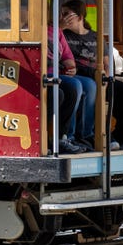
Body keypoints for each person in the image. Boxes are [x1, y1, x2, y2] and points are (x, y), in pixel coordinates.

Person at [60, 0, 123, 150]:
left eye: (66, 14)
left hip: (100, 77)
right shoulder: (63, 35)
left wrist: (106, 80)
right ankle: (92, 135)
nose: (63, 17)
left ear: (80, 17)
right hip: (80, 76)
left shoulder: (95, 36)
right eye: (61, 14)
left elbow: (107, 62)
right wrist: (60, 28)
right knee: (90, 89)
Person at [46, 21, 88, 155]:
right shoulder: (27, 29)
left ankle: (63, 138)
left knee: (73, 87)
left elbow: (67, 55)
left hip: (56, 72)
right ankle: (45, 138)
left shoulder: (54, 30)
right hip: (39, 72)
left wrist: (71, 66)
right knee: (60, 92)